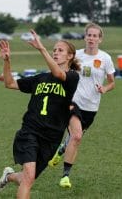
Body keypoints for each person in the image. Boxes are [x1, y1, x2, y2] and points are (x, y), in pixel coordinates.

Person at [0, 30, 80, 198]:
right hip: (30, 131)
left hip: (52, 138)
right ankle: (11, 176)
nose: (56, 52)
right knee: (29, 177)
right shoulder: (40, 78)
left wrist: (42, 49)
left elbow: (58, 74)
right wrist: (7, 61)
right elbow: (9, 83)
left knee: (26, 178)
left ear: (70, 56)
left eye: (60, 50)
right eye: (54, 49)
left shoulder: (72, 77)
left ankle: (8, 176)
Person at [48, 23, 116, 188]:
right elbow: (59, 69)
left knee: (74, 138)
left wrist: (104, 89)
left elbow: (112, 82)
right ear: (85, 37)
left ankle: (60, 151)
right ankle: (65, 176)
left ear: (100, 39)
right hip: (72, 102)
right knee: (76, 136)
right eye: (89, 35)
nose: (91, 38)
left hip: (91, 107)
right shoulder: (76, 55)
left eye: (95, 36)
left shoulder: (105, 58)